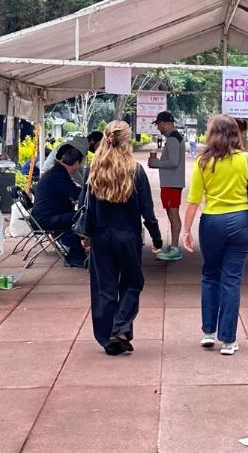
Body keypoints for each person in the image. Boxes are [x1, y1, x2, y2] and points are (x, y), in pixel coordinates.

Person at [181, 115, 248, 356]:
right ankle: (229, 341)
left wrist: (186, 229)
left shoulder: (203, 162)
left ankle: (208, 333)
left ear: (211, 134)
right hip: (241, 222)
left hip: (211, 221)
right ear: (236, 134)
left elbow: (193, 200)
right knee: (231, 279)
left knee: (210, 275)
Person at [83, 121, 163, 356]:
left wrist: (86, 235)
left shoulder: (93, 168)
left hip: (100, 233)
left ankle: (107, 336)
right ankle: (120, 327)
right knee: (133, 282)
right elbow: (146, 209)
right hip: (127, 234)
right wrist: (157, 238)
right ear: (127, 140)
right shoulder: (135, 170)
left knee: (103, 288)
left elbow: (86, 207)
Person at [31, 144, 87, 267]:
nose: (80, 167)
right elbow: (76, 194)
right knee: (83, 218)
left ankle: (77, 253)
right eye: (80, 164)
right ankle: (76, 256)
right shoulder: (59, 175)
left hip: (45, 216)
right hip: (47, 219)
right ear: (75, 162)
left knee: (77, 216)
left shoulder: (56, 172)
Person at [147, 111, 186, 261]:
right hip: (172, 183)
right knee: (171, 214)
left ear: (165, 122)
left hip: (172, 183)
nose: (158, 128)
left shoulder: (173, 139)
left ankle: (175, 248)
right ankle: (174, 246)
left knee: (173, 214)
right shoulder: (174, 138)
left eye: (158, 124)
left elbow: (173, 162)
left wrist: (156, 163)